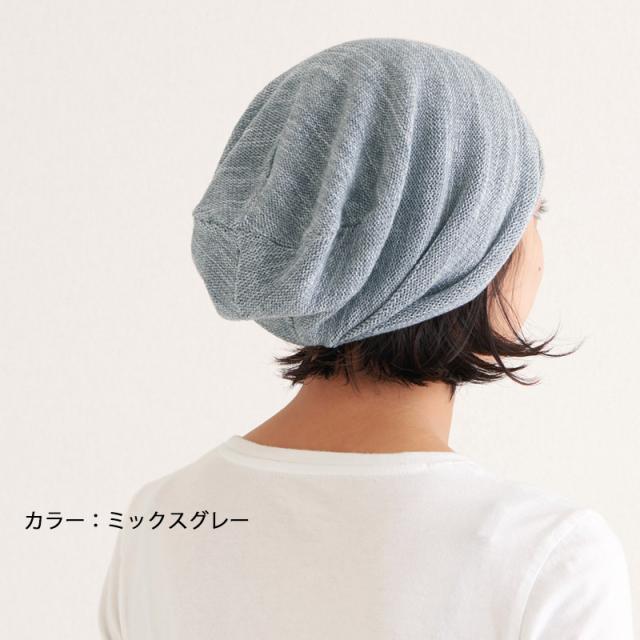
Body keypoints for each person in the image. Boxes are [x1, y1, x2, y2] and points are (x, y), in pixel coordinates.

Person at [99, 38, 634, 638]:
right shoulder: (548, 558)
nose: (535, 251)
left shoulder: (159, 522)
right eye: (530, 216)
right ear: (457, 249)